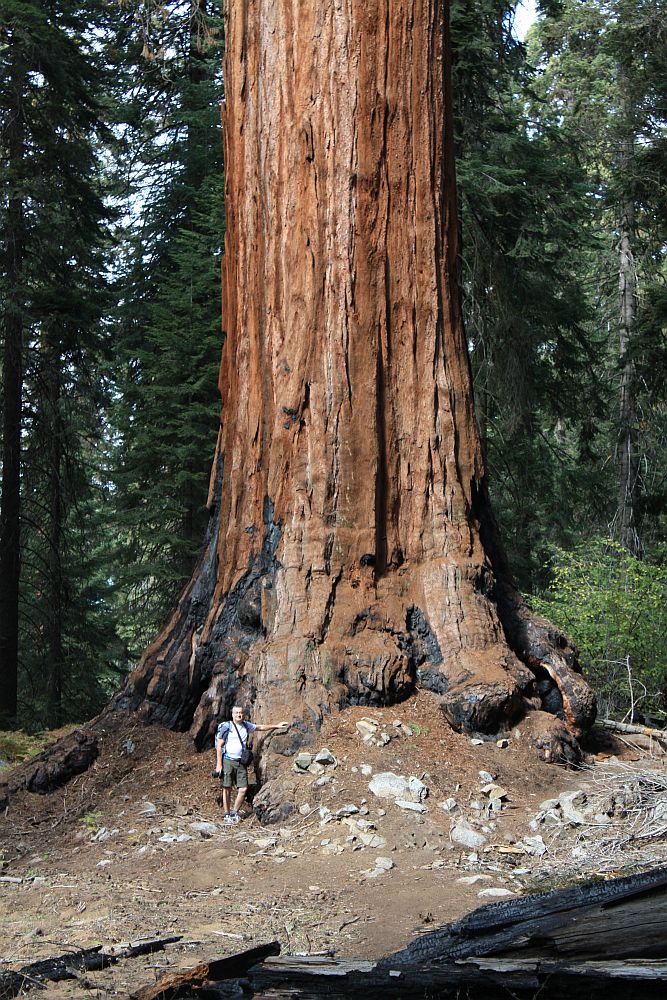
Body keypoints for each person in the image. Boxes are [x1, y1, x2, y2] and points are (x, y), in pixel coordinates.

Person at [213, 705, 288, 824]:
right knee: (227, 788)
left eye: (241, 713)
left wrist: (277, 726)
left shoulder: (246, 725)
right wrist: (219, 764)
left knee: (243, 788)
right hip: (228, 760)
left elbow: (260, 727)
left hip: (241, 762)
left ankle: (234, 812)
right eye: (236, 713)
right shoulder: (227, 727)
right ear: (232, 714)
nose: (239, 715)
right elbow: (219, 746)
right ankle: (226, 814)